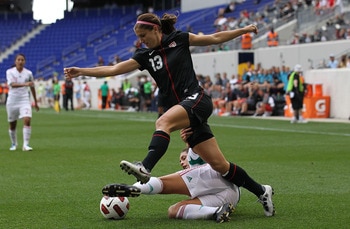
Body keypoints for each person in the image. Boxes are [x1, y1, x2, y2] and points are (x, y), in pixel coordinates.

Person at [64, 12, 274, 217]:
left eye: (143, 36)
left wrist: (244, 30)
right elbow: (114, 69)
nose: (142, 41)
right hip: (185, 110)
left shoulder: (179, 39)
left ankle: (145, 167)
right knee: (220, 165)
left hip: (197, 99)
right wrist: (82, 71)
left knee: (162, 121)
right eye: (139, 38)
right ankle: (261, 191)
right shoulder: (144, 56)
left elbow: (215, 38)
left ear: (155, 29)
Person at [103, 129, 239, 223]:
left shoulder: (196, 153)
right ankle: (217, 212)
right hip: (229, 198)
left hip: (218, 179)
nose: (182, 162)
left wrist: (190, 142)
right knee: (174, 211)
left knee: (165, 183)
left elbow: (199, 147)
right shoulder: (194, 171)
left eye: (183, 157)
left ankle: (136, 188)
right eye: (180, 160)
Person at [6, 53, 39, 151]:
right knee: (12, 124)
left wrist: (36, 102)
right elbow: (12, 84)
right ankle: (14, 143)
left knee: (27, 120)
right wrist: (25, 84)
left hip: (24, 99)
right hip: (12, 100)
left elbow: (32, 87)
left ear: (25, 61)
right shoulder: (10, 72)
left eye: (22, 60)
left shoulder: (28, 73)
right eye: (18, 60)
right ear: (15, 61)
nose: (20, 61)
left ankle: (26, 145)